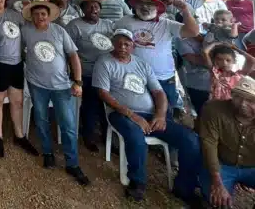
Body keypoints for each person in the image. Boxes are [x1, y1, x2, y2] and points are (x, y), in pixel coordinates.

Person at [94, 29, 202, 203]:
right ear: (113, 43)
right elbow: (103, 93)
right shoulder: (104, 62)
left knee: (190, 139)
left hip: (150, 115)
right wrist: (132, 115)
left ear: (133, 46)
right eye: (119, 43)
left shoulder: (141, 64)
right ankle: (138, 182)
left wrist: (160, 115)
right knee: (136, 136)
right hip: (121, 113)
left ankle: (184, 187)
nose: (122, 47)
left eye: (127, 44)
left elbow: (158, 92)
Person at [22, 0, 89, 185]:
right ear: (32, 17)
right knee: (41, 120)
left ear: (49, 16)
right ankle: (48, 153)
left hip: (61, 86)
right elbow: (20, 50)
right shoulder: (26, 31)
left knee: (67, 125)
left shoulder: (59, 31)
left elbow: (73, 56)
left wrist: (77, 81)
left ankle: (72, 163)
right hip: (37, 85)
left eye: (43, 14)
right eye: (36, 15)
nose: (40, 17)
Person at [117, 0, 199, 117]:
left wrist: (184, 10)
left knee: (167, 113)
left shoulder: (166, 23)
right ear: (135, 6)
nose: (145, 7)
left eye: (149, 4)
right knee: (139, 112)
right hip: (134, 76)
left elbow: (193, 32)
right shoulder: (124, 22)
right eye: (141, 3)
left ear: (157, 7)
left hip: (164, 77)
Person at [0, 0, 37, 158]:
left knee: (17, 101)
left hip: (16, 62)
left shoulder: (15, 14)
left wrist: (31, 7)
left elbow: (30, 23)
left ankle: (19, 135)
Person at [65, 0, 115, 152]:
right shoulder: (75, 26)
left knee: (109, 105)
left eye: (96, 6)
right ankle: (89, 135)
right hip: (86, 72)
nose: (93, 10)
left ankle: (108, 137)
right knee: (91, 105)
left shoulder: (108, 25)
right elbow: (70, 51)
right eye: (89, 7)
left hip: (108, 73)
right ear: (83, 9)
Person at [199, 76, 255, 207]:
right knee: (219, 202)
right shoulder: (214, 109)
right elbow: (209, 144)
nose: (242, 104)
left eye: (250, 101)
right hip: (222, 165)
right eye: (238, 97)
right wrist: (217, 181)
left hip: (252, 168)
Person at [179, 34, 212, 118]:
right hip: (198, 85)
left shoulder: (210, 36)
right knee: (202, 114)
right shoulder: (183, 42)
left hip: (217, 85)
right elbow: (196, 60)